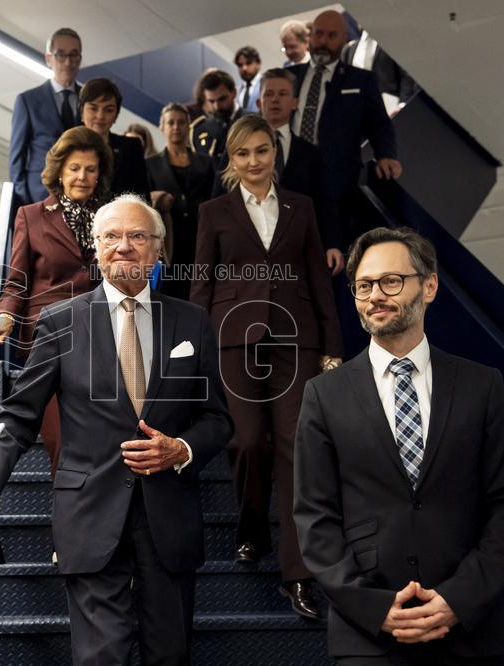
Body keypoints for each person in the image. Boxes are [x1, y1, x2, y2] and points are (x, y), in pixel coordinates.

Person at [0, 194, 233, 665]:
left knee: (171, 653)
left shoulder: (193, 321)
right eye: (111, 236)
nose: (124, 246)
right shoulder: (59, 322)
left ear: (158, 250)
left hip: (168, 514)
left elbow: (218, 420)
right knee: (101, 656)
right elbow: (20, 415)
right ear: (96, 249)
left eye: (137, 236)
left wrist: (181, 448)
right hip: (89, 513)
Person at [294, 226, 504, 663]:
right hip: (369, 637)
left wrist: (458, 599)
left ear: (429, 286)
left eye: (390, 281)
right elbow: (314, 517)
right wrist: (375, 607)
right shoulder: (323, 395)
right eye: (363, 285)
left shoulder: (482, 386)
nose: (374, 296)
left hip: (470, 631)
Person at [190, 114, 342, 620]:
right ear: (230, 161)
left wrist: (332, 347)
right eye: (242, 154)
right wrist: (197, 349)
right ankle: (252, 524)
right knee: (247, 442)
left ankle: (296, 575)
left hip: (296, 343)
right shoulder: (213, 212)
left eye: (261, 151)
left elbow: (318, 278)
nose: (254, 162)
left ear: (274, 152)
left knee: (297, 452)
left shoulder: (303, 208)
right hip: (233, 342)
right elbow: (202, 286)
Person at [0, 126, 112, 471]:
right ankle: (68, 523)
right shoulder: (32, 215)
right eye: (74, 168)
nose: (82, 176)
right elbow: (17, 280)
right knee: (61, 443)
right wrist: (6, 315)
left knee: (104, 441)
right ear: (59, 171)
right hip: (50, 339)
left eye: (91, 168)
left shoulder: (112, 218)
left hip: (104, 335)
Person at [288, 9, 402, 276]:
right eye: (319, 34)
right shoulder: (289, 77)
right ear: (310, 36)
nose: (323, 41)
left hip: (337, 187)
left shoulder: (361, 81)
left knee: (332, 265)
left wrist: (386, 154)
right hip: (291, 181)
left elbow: (379, 124)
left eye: (331, 35)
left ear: (343, 40)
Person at [210, 68, 323, 208]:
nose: (275, 99)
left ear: (295, 103)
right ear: (259, 103)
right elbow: (219, 196)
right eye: (269, 94)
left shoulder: (310, 154)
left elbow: (319, 205)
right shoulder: (237, 146)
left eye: (282, 94)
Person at [146, 103, 215, 300]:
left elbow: (215, 198)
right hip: (168, 245)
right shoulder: (150, 164)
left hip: (200, 241)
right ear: (162, 127)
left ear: (188, 126)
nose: (176, 127)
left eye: (181, 122)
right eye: (171, 122)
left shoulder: (206, 162)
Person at [9, 27, 83, 205]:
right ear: (48, 58)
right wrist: (24, 199)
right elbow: (17, 158)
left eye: (74, 55)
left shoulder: (90, 101)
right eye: (61, 55)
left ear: (80, 59)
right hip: (38, 196)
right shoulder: (28, 101)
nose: (67, 62)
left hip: (80, 198)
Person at [79, 78, 151, 202]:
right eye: (93, 108)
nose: (100, 116)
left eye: (108, 110)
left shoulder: (131, 147)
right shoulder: (67, 147)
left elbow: (143, 197)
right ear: (81, 111)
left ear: (116, 115)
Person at [342, 29, 420, 114]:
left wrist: (403, 103)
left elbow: (405, 74)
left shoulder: (392, 42)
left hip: (391, 107)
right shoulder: (350, 49)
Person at [189, 69, 243, 164]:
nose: (217, 106)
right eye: (211, 101)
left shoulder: (254, 122)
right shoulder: (200, 129)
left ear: (234, 93)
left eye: (222, 99)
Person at [234, 46, 262, 115]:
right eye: (240, 65)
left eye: (248, 63)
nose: (244, 68)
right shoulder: (236, 91)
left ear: (258, 64)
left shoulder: (267, 85)